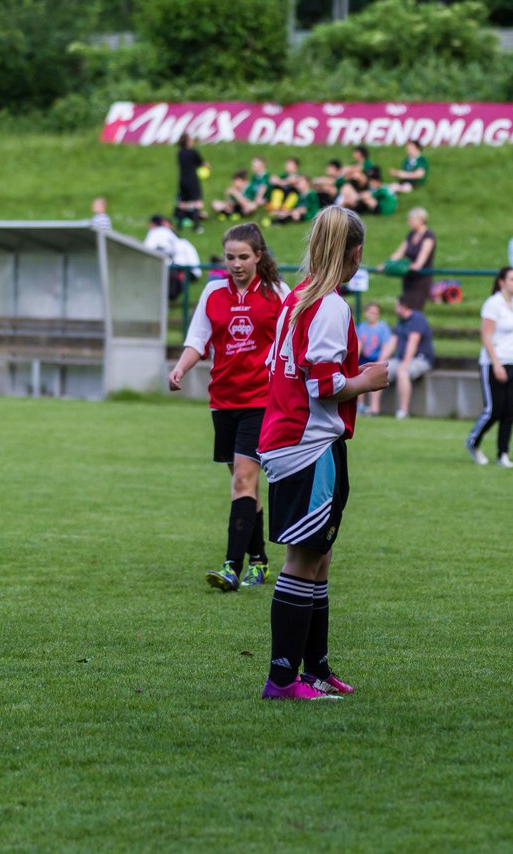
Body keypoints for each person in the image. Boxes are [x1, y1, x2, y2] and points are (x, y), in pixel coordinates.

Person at [256, 206, 388, 701]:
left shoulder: (298, 298)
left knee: (320, 556)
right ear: (356, 252)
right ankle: (283, 679)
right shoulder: (331, 305)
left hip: (294, 439)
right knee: (303, 559)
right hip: (308, 446)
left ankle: (314, 669)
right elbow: (325, 383)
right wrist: (368, 381)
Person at [167, 223, 289, 591]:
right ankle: (260, 561)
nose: (236, 264)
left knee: (243, 480)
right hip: (223, 401)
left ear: (259, 257)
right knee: (244, 488)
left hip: (261, 400)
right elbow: (198, 340)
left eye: (244, 257)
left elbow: (294, 341)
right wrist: (180, 368)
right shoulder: (213, 292)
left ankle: (231, 567)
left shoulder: (277, 293)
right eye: (230, 257)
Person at [467, 267, 513, 468]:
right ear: (502, 282)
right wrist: (496, 364)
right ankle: (473, 441)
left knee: (510, 411)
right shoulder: (492, 304)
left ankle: (503, 453)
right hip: (494, 363)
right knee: (494, 410)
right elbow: (486, 336)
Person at [376, 298, 434, 418]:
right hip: (402, 358)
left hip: (420, 359)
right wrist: (379, 362)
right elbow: (392, 343)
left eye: (396, 305)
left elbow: (413, 342)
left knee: (403, 372)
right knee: (378, 371)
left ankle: (403, 411)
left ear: (403, 306)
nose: (394, 308)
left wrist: (405, 363)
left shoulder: (417, 319)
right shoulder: (401, 321)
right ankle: (373, 409)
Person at [384, 207, 436, 311]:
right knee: (404, 307)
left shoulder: (429, 236)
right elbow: (400, 252)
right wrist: (387, 264)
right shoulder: (411, 234)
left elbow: (424, 255)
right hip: (408, 276)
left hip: (421, 279)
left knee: (415, 309)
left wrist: (417, 265)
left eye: (411, 220)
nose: (409, 222)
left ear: (421, 220)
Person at [356, 301, 393, 414]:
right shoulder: (361, 327)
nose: (373, 315)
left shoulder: (383, 328)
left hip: (378, 358)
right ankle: (360, 405)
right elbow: (358, 345)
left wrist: (379, 361)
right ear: (365, 313)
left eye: (375, 313)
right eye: (371, 312)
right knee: (357, 375)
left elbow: (387, 346)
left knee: (377, 376)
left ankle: (374, 407)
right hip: (364, 358)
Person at [174, 133, 205, 232]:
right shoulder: (193, 152)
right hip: (192, 180)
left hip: (182, 180)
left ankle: (179, 226)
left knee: (182, 203)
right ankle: (196, 226)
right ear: (188, 141)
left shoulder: (180, 153)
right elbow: (202, 163)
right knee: (197, 203)